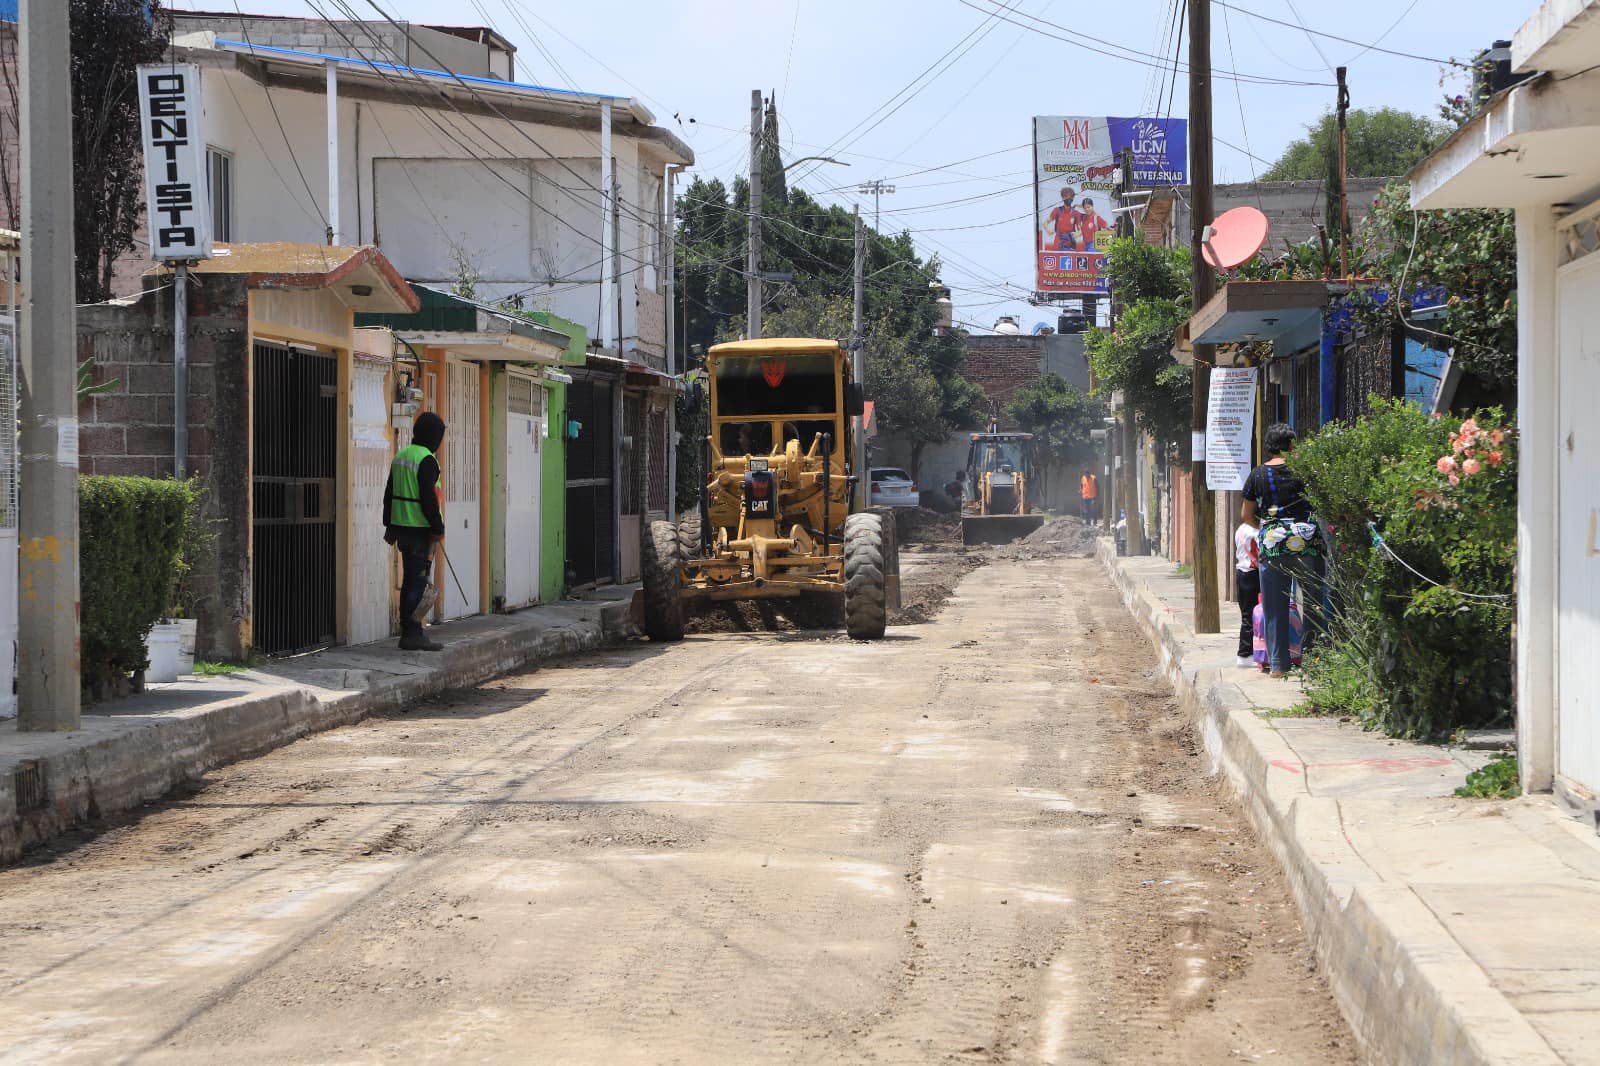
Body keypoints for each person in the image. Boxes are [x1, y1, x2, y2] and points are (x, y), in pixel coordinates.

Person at [1240, 423, 1326, 678]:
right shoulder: (1305, 471)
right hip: (1306, 543)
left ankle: (1278, 665)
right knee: (1312, 602)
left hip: (1273, 545)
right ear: (1291, 445)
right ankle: (1314, 660)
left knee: (1274, 606)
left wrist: (1268, 527)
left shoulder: (1257, 475)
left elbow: (1246, 515)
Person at [383, 411, 447, 652]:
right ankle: (413, 632)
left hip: (402, 528)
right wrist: (437, 528)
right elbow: (428, 498)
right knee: (417, 581)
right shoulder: (427, 459)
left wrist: (389, 524)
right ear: (433, 436)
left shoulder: (401, 456)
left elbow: (389, 494)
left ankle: (409, 631)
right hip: (420, 529)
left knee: (410, 579)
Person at [1233, 518, 1260, 668]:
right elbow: (1259, 551)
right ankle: (1245, 654)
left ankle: (1247, 653)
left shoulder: (1241, 528)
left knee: (1246, 615)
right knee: (1251, 616)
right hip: (1253, 574)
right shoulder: (1255, 531)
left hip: (1241, 573)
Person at [1043, 186, 1080, 251]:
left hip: (1070, 241)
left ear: (1073, 197)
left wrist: (1078, 233)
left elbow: (1080, 229)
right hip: (1059, 241)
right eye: (1066, 196)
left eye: (1070, 196)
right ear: (1062, 197)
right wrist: (1048, 230)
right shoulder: (1057, 210)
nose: (1068, 198)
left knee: (1071, 260)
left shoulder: (1076, 213)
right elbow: (1046, 222)